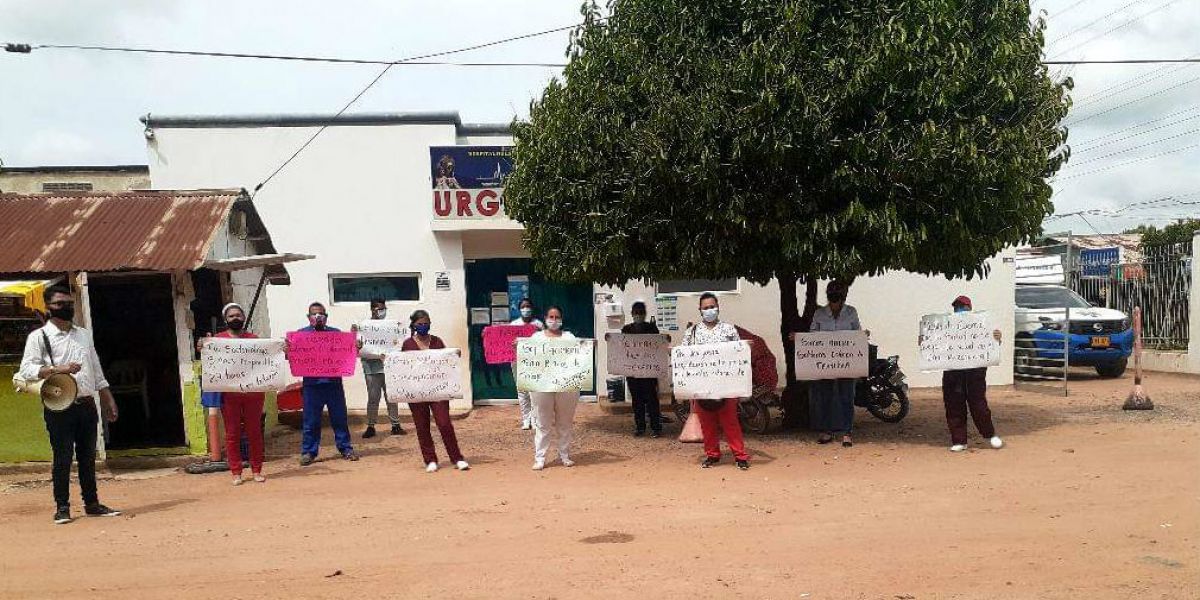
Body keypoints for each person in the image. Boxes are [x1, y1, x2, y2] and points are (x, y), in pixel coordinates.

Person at [18, 284, 121, 524]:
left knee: (88, 456)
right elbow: (26, 370)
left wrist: (107, 398)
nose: (66, 308)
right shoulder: (39, 337)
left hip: (86, 403)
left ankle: (92, 503)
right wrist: (56, 369)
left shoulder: (83, 334)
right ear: (48, 307)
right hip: (59, 405)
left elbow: (95, 369)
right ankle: (62, 506)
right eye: (60, 304)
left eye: (69, 303)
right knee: (63, 456)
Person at [683, 293, 750, 470]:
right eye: (705, 308)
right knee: (707, 423)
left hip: (725, 385)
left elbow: (738, 353)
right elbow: (683, 355)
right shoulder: (692, 333)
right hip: (702, 385)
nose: (709, 310)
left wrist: (745, 348)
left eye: (712, 306)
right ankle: (712, 454)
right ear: (700, 310)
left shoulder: (729, 330)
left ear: (718, 307)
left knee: (730, 422)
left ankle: (740, 455)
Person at [401, 310, 469, 473]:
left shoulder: (437, 341)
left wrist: (454, 355)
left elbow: (446, 361)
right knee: (422, 426)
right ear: (414, 325)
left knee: (444, 424)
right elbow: (402, 366)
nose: (424, 326)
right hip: (417, 393)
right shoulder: (408, 344)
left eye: (426, 323)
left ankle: (457, 458)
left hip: (437, 390)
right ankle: (430, 459)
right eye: (420, 324)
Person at [296, 302, 359, 465]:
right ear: (308, 317)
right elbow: (292, 358)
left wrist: (355, 345)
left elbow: (347, 354)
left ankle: (345, 448)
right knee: (311, 420)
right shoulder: (300, 335)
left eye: (321, 314)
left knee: (339, 418)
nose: (318, 317)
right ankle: (309, 452)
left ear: (326, 317)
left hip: (333, 384)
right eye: (314, 314)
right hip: (312, 385)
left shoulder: (336, 334)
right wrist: (287, 349)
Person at [940, 296, 1005, 453]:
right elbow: (935, 346)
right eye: (957, 308)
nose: (960, 310)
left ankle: (990, 435)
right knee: (954, 407)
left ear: (970, 308)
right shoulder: (945, 327)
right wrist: (925, 341)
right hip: (953, 374)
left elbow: (991, 347)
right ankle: (959, 440)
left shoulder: (982, 326)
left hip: (975, 373)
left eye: (963, 307)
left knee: (979, 406)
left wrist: (997, 338)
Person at [213, 303, 266, 485]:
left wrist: (280, 349)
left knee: (254, 433)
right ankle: (236, 472)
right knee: (232, 434)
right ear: (225, 320)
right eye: (231, 316)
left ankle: (257, 470)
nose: (235, 318)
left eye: (238, 315)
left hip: (253, 393)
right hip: (229, 395)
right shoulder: (217, 341)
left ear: (243, 318)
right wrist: (202, 347)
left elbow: (266, 360)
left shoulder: (255, 340)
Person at [808, 280, 863, 448]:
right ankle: (826, 431)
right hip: (825, 363)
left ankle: (847, 432)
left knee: (847, 396)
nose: (834, 301)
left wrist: (863, 335)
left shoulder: (851, 312)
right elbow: (812, 335)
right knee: (824, 396)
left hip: (846, 362)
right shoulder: (819, 314)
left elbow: (857, 333)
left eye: (837, 297)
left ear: (843, 297)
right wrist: (799, 338)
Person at [528, 306, 579, 470]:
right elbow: (527, 355)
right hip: (542, 385)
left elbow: (579, 354)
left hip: (565, 385)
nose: (554, 320)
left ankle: (564, 454)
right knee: (543, 422)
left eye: (557, 317)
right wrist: (518, 346)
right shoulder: (536, 337)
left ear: (562, 319)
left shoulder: (569, 337)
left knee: (565, 422)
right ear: (545, 318)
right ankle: (540, 457)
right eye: (551, 316)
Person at [355, 298, 404, 439]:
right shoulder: (364, 326)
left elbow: (397, 342)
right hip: (371, 368)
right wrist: (356, 341)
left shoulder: (391, 326)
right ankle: (371, 426)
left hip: (388, 367)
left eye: (384, 309)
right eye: (379, 309)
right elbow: (359, 346)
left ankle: (395, 425)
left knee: (392, 397)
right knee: (373, 398)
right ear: (372, 309)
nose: (382, 312)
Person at [621, 300, 663, 437]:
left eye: (640, 313)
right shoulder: (626, 329)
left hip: (649, 372)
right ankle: (640, 427)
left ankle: (656, 427)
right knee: (636, 400)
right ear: (632, 314)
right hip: (632, 372)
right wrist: (609, 339)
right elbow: (618, 345)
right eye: (636, 313)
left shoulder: (652, 328)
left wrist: (665, 339)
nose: (638, 315)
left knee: (652, 400)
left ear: (644, 314)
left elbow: (659, 345)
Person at [510, 298, 544, 430]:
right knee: (522, 391)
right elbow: (506, 341)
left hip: (534, 362)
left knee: (534, 391)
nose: (526, 309)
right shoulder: (514, 325)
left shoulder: (538, 325)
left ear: (532, 308)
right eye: (523, 307)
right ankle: (526, 419)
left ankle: (535, 419)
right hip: (517, 361)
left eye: (528, 306)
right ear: (519, 310)